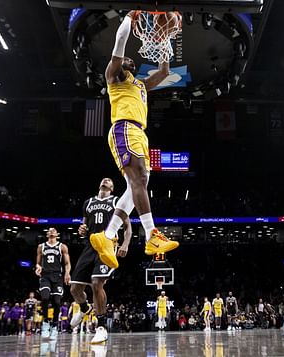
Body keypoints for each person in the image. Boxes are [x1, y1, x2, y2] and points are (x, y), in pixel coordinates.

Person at [89, 11, 180, 270]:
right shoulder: (114, 76)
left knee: (136, 185)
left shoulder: (140, 84)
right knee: (138, 179)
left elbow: (164, 71)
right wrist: (129, 18)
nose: (127, 59)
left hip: (139, 133)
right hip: (123, 129)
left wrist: (164, 36)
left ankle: (107, 236)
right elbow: (120, 42)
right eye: (124, 59)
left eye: (129, 59)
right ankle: (152, 235)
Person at [70, 178, 132, 344]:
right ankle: (84, 308)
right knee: (75, 289)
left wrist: (125, 243)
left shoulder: (116, 201)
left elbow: (127, 225)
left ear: (111, 188)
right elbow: (83, 226)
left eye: (109, 180)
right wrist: (81, 229)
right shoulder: (88, 202)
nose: (106, 180)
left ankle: (101, 327)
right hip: (90, 244)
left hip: (108, 243)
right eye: (104, 179)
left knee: (96, 283)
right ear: (99, 185)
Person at [35, 227, 71, 339]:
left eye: (53, 230)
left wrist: (67, 273)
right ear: (47, 234)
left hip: (57, 276)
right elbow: (38, 262)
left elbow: (67, 263)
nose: (51, 231)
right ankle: (45, 322)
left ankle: (55, 324)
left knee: (56, 301)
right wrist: (38, 267)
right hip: (45, 275)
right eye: (49, 230)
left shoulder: (62, 246)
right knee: (45, 298)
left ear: (57, 234)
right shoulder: (41, 247)